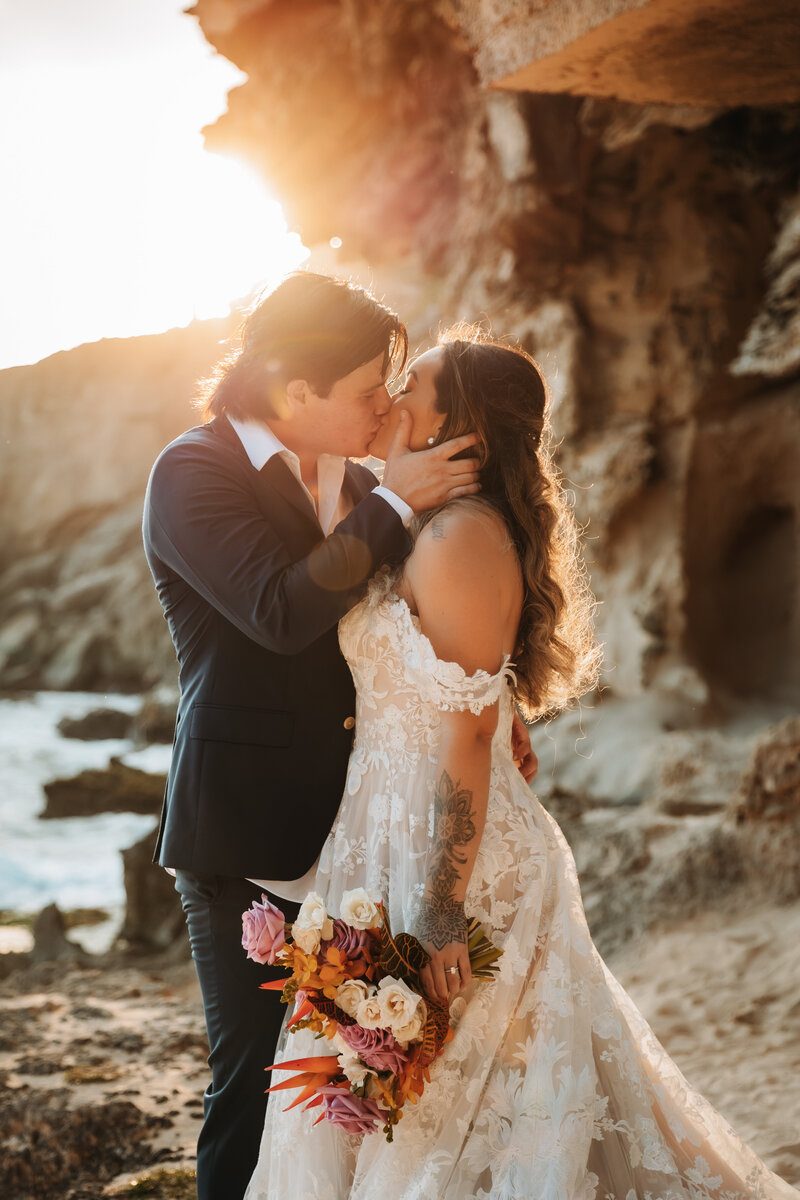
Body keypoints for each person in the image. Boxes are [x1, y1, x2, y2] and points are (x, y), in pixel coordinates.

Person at [244, 329, 800, 1200]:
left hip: (454, 860)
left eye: (412, 383)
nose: (392, 393)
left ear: (458, 426)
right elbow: (452, 684)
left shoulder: (460, 537)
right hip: (383, 838)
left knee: (480, 1109)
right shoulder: (423, 525)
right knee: (424, 1106)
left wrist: (437, 907)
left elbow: (463, 738)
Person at [142, 273, 537, 1200]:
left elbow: (427, 630)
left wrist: (496, 711)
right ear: (295, 393)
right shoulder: (193, 473)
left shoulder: (362, 482)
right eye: (367, 391)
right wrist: (395, 507)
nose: (383, 406)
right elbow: (280, 612)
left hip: (367, 840)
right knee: (259, 1088)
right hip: (248, 838)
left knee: (357, 1101)